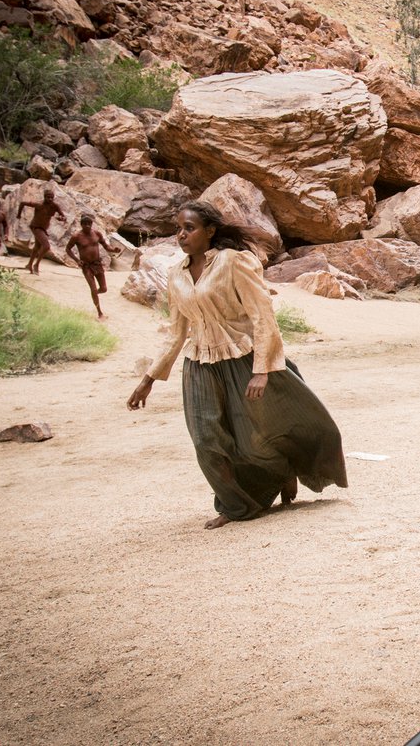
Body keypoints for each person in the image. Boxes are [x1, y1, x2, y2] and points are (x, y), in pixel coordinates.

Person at [127, 201, 347, 529]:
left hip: (243, 357)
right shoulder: (175, 275)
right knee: (206, 440)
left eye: (189, 228)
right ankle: (235, 506)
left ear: (210, 231)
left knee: (252, 439)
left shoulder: (233, 262)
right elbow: (177, 333)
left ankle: (284, 471)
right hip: (200, 363)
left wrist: (262, 370)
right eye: (178, 229)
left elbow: (262, 315)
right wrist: (148, 379)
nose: (181, 235)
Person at [65, 213, 122, 319]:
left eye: (89, 223)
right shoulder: (76, 236)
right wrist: (77, 260)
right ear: (81, 224)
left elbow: (106, 246)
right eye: (85, 224)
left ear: (92, 224)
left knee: (104, 289)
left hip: (97, 264)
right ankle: (100, 313)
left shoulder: (97, 234)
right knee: (94, 289)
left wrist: (113, 250)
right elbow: (68, 249)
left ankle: (94, 294)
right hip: (86, 266)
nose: (87, 225)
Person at [17, 184, 67, 275]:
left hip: (43, 228)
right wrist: (18, 214)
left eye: (51, 197)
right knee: (46, 246)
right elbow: (22, 203)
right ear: (44, 197)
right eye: (48, 197)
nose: (50, 199)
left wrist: (61, 218)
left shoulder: (54, 206)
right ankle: (36, 265)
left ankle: (29, 264)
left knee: (37, 247)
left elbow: (63, 216)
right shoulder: (39, 205)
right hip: (36, 227)